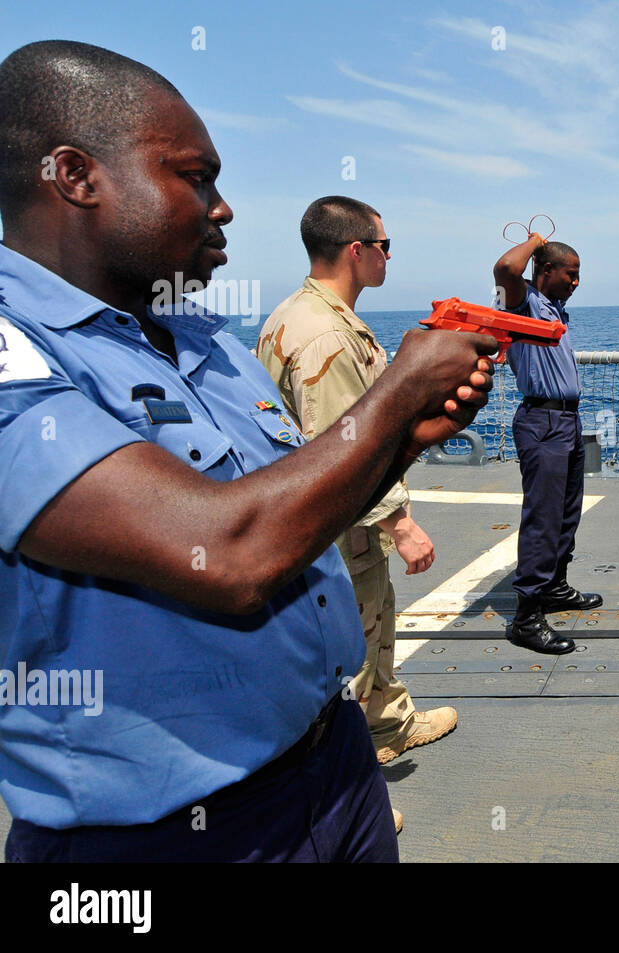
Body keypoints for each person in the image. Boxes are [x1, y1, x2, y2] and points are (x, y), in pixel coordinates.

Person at [0, 41, 495, 861]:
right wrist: (397, 394)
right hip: (163, 840)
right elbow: (229, 551)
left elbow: (293, 499)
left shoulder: (202, 335)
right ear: (76, 176)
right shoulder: (20, 355)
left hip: (334, 769)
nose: (223, 208)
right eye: (195, 177)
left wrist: (400, 441)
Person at [258, 196, 458, 766]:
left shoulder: (295, 315)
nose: (389, 258)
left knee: (373, 619)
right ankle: (344, 794)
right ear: (357, 249)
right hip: (337, 527)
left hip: (325, 519)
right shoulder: (325, 335)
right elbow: (341, 447)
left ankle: (387, 723)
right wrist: (402, 523)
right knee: (346, 651)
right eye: (384, 246)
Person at [494, 230, 601, 655]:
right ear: (545, 271)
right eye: (570, 274)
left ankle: (556, 586)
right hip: (542, 420)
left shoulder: (554, 310)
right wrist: (536, 241)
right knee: (542, 517)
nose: (576, 282)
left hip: (566, 421)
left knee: (566, 513)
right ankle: (526, 616)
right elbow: (505, 268)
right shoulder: (523, 302)